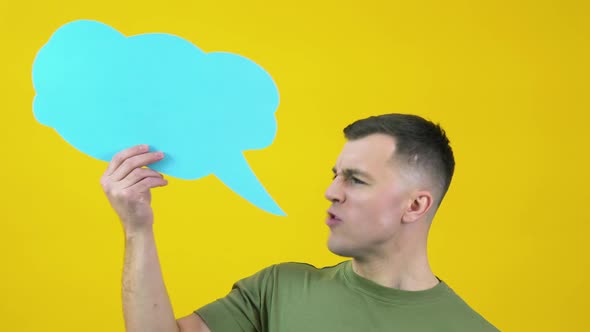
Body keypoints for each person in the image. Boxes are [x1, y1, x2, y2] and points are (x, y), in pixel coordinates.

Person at [101, 113, 498, 331]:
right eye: (335, 174)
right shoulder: (279, 289)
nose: (331, 191)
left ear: (415, 206)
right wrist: (138, 228)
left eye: (355, 179)